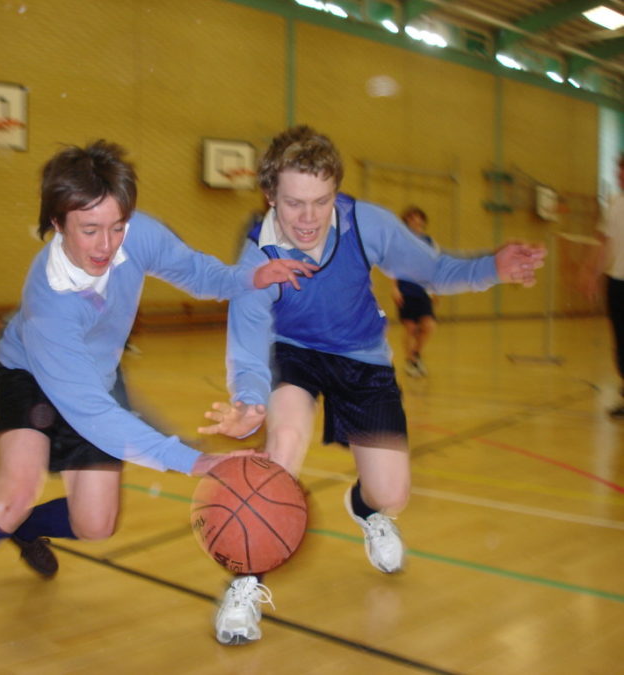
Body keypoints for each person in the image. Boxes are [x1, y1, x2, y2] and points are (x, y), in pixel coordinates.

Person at [0, 140, 316, 674]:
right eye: (90, 230)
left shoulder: (135, 233)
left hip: (98, 377)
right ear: (57, 223)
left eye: (117, 226)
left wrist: (249, 276)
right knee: (13, 493)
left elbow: (198, 273)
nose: (107, 244)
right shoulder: (50, 307)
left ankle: (23, 530)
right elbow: (93, 416)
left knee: (97, 523)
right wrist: (195, 462)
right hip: (32, 374)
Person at [199, 125, 546, 646]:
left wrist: (491, 268)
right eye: (295, 204)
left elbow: (433, 270)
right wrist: (250, 399)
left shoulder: (367, 225)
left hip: (362, 356)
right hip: (291, 352)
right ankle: (246, 584)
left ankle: (365, 508)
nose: (310, 218)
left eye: (322, 201)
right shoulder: (257, 255)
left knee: (391, 492)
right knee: (284, 445)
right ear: (270, 196)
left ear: (336, 192)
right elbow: (248, 342)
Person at [584, 153, 624, 418]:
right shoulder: (615, 204)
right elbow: (604, 243)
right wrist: (591, 272)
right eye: (618, 170)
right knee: (620, 341)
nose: (619, 175)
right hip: (618, 282)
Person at [391, 206, 438, 377]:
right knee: (410, 328)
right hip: (405, 290)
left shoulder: (429, 241)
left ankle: (414, 356)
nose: (415, 221)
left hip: (423, 290)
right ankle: (411, 362)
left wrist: (435, 290)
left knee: (429, 325)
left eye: (418, 218)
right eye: (411, 218)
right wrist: (395, 288)